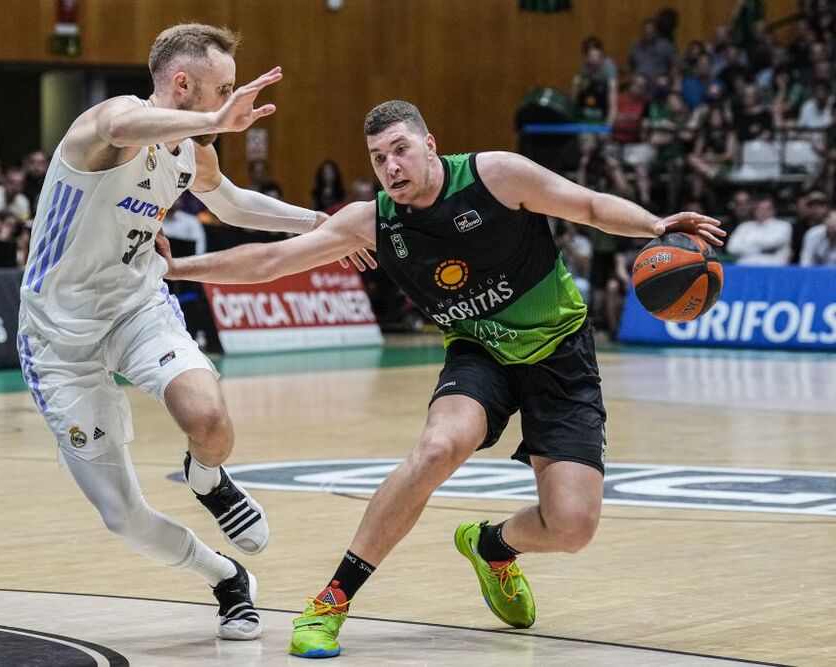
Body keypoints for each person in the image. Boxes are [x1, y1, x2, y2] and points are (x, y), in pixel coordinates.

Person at [161, 100, 725, 658]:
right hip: (478, 351)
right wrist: (175, 268)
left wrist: (654, 225)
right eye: (379, 159)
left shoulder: (497, 175)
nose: (391, 168)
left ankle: (491, 546)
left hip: (561, 355)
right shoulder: (373, 221)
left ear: (430, 145)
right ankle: (331, 601)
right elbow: (269, 262)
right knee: (437, 448)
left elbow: (590, 205)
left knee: (572, 527)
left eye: (401, 150)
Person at [16, 23, 346, 642]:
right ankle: (225, 577)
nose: (232, 101)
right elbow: (119, 131)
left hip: (138, 306)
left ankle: (207, 477)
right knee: (123, 516)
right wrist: (216, 120)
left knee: (210, 419)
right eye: (222, 90)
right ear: (183, 84)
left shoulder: (194, 147)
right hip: (59, 339)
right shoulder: (110, 121)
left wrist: (321, 225)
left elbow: (234, 207)